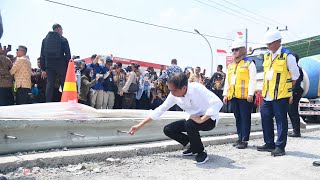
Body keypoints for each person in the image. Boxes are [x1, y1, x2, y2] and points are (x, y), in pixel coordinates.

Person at [128, 73, 223, 164]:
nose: (171, 93)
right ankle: (193, 146)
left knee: (189, 124)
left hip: (209, 119)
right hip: (192, 119)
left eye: (173, 90)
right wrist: (139, 125)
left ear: (184, 88)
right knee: (168, 129)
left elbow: (217, 102)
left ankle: (201, 152)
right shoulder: (174, 94)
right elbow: (160, 109)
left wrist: (202, 119)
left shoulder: (197, 88)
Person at [257, 29, 300, 156]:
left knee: (281, 120)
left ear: (279, 41)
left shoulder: (288, 56)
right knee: (265, 118)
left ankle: (280, 146)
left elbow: (295, 76)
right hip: (267, 95)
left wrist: (288, 91)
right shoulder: (267, 56)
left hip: (281, 95)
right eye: (267, 44)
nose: (268, 46)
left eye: (270, 43)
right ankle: (269, 143)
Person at [223, 39, 257, 149]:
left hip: (245, 97)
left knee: (245, 117)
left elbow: (253, 79)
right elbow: (227, 80)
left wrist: (251, 94)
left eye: (236, 50)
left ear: (242, 50)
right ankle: (239, 137)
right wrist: (225, 94)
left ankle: (244, 140)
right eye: (233, 50)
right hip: (233, 96)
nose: (234, 52)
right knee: (238, 117)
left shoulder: (249, 63)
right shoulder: (231, 65)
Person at [40, 23, 71, 102]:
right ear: (58, 29)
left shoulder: (45, 39)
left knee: (50, 84)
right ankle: (66, 101)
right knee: (64, 83)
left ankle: (48, 101)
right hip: (61, 64)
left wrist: (43, 68)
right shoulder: (63, 39)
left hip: (49, 65)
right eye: (62, 30)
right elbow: (67, 53)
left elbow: (42, 54)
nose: (62, 32)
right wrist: (68, 65)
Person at [288, 53, 304, 137]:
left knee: (293, 111)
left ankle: (297, 131)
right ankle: (295, 130)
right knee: (291, 111)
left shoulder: (297, 70)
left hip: (295, 92)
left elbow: (296, 84)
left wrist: (291, 95)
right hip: (293, 92)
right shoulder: (294, 69)